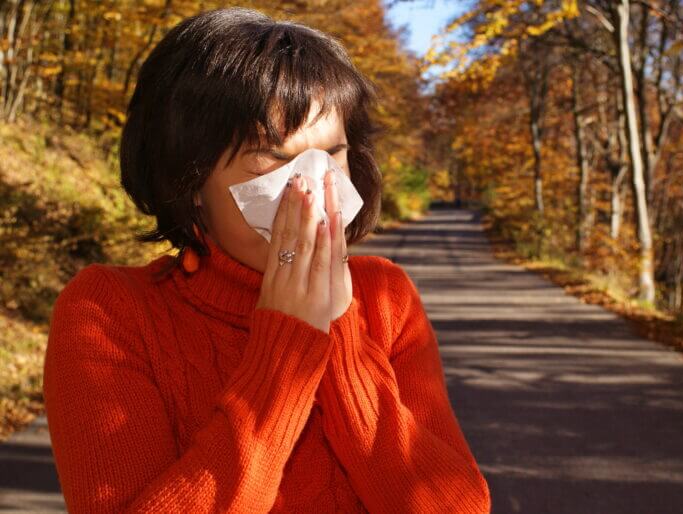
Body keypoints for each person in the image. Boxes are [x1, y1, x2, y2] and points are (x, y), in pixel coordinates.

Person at [42, 7, 491, 513]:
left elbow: (455, 505)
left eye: (333, 153)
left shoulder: (385, 298)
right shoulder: (109, 313)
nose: (316, 186)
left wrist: (340, 334)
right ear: (187, 179)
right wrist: (288, 347)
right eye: (276, 159)